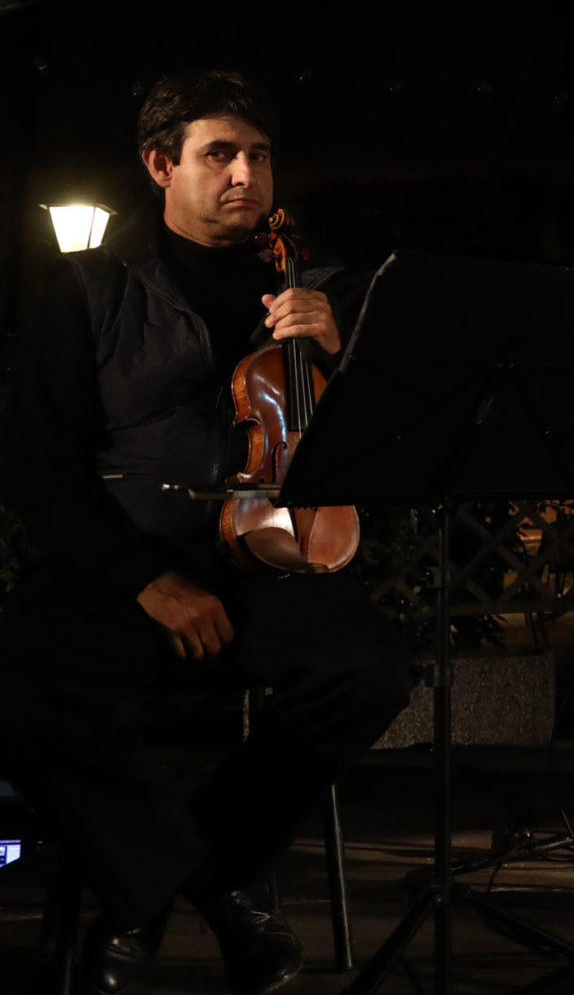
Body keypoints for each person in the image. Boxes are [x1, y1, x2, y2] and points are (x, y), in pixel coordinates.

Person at [0, 71, 414, 994]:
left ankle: (174, 880)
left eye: (258, 156)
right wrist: (145, 580)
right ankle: (207, 897)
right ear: (161, 164)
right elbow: (39, 467)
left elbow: (394, 443)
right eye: (218, 154)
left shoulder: (326, 290)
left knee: (369, 670)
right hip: (129, 562)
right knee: (20, 674)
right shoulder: (88, 289)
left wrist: (347, 356)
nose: (243, 174)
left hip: (275, 563)